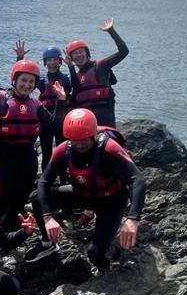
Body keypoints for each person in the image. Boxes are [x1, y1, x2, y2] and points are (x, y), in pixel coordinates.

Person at [31, 108, 147, 270]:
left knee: (94, 254)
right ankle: (48, 245)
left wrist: (133, 219)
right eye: (74, 139)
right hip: (83, 195)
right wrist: (48, 217)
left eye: (83, 139)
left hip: (111, 203)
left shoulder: (109, 149)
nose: (79, 144)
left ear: (93, 134)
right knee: (37, 200)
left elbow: (138, 180)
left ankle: (108, 273)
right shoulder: (65, 149)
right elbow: (44, 181)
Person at [0, 60, 65, 240]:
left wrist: (61, 101)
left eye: (31, 82)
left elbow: (53, 127)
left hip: (26, 161)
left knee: (18, 204)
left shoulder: (35, 104)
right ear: (14, 80)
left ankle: (10, 239)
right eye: (23, 80)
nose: (27, 85)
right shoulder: (0, 100)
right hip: (1, 160)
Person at [14, 41, 73, 170]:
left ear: (60, 61)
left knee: (62, 152)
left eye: (55, 60)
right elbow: (20, 77)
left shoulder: (66, 79)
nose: (52, 63)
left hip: (61, 120)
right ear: (45, 63)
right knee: (47, 154)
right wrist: (20, 58)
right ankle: (47, 181)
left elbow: (76, 91)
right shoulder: (40, 80)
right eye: (49, 60)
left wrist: (71, 65)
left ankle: (63, 179)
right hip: (45, 121)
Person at [66, 18, 129, 127]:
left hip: (106, 117)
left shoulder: (101, 66)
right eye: (75, 54)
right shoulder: (76, 77)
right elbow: (74, 94)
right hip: (86, 122)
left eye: (81, 52)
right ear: (71, 58)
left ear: (87, 53)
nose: (79, 55)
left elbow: (124, 51)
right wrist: (70, 67)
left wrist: (111, 31)